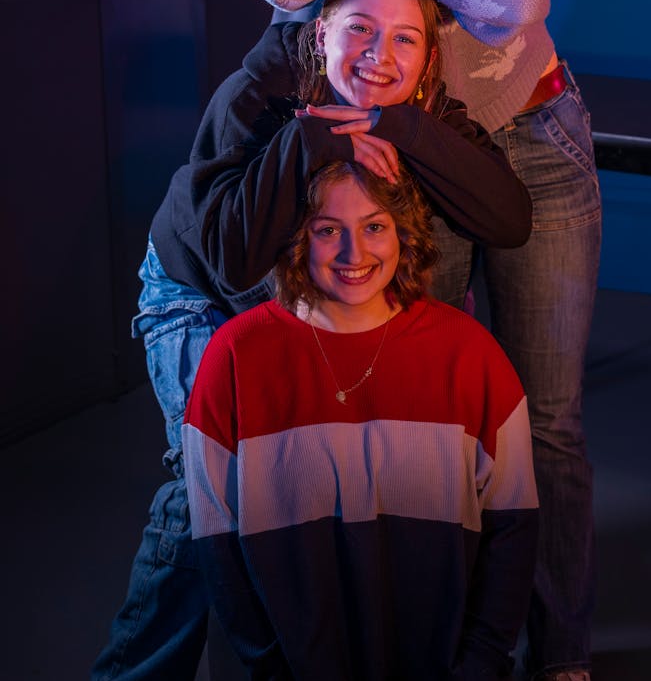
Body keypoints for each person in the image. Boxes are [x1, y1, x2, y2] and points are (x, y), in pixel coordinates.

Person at [243, 0, 601, 681]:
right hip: (427, 152)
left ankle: (560, 654)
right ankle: (446, 641)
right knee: (429, 409)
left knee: (547, 419)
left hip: (532, 137)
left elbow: (511, 0)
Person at [92, 0, 532, 681]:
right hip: (199, 290)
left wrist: (398, 127)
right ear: (321, 31)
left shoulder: (418, 107)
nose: (378, 55)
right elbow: (233, 259)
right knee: (203, 486)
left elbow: (509, 219)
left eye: (404, 39)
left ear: (427, 60)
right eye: (359, 28)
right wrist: (316, 141)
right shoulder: (257, 93)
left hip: (305, 289)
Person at [183, 159, 540, 680]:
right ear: (296, 237)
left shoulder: (471, 355)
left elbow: (513, 529)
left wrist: (482, 662)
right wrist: (267, 665)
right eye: (328, 230)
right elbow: (216, 543)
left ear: (404, 232)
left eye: (374, 226)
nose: (354, 253)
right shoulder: (234, 357)